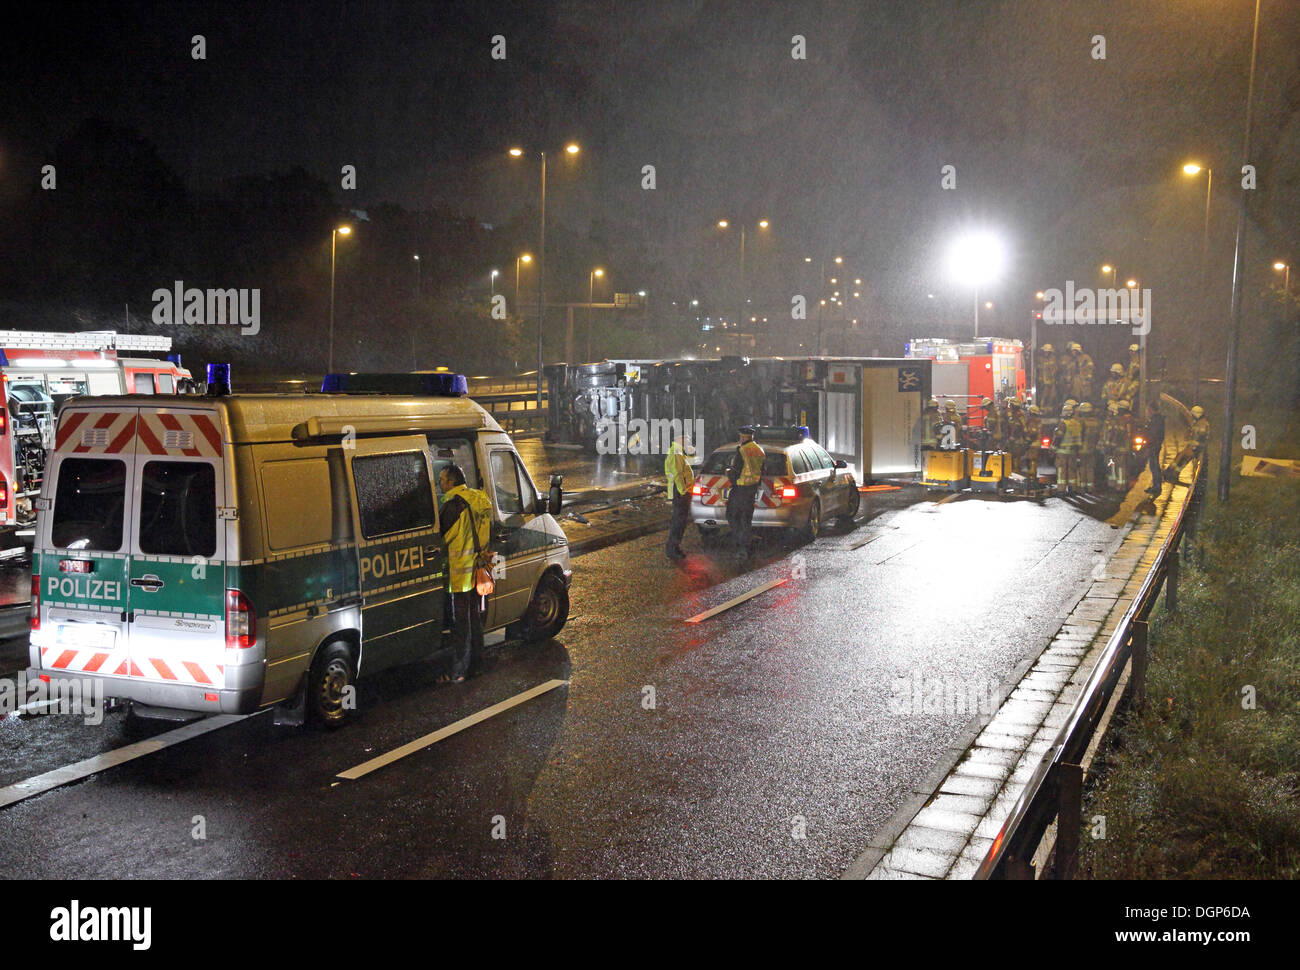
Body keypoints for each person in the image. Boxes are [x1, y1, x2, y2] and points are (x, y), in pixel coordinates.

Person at [438, 463, 493, 681]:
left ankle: (458, 671)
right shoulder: (480, 499)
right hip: (479, 568)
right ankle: (478, 664)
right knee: (475, 619)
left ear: (451, 482)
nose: (440, 483)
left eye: (442, 480)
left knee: (461, 625)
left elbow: (441, 538)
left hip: (460, 573)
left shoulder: (453, 506)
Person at [725, 426, 765, 557]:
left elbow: (736, 470)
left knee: (732, 515)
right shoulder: (759, 450)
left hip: (740, 488)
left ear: (743, 437)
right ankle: (747, 544)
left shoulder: (742, 450)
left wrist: (729, 474)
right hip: (752, 488)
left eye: (740, 436)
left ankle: (743, 546)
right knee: (746, 518)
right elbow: (762, 469)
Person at [664, 437, 695, 560]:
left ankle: (674, 547)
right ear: (679, 439)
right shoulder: (676, 453)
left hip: (680, 491)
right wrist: (683, 491)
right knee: (678, 522)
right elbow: (678, 474)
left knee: (680, 521)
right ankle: (672, 548)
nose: (687, 441)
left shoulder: (679, 451)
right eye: (686, 439)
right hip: (680, 492)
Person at [1166, 405, 1210, 483]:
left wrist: (1193, 446)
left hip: (1197, 448)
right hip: (1196, 447)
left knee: (1181, 456)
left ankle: (1170, 471)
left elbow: (1201, 436)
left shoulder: (1202, 424)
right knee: (1183, 458)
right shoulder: (1200, 423)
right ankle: (1174, 473)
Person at [1077, 401, 1102, 491]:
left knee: (1082, 467)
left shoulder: (1080, 422)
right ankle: (1091, 486)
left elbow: (1078, 435)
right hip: (1092, 448)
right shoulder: (1096, 422)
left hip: (1082, 448)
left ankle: (1082, 486)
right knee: (1090, 468)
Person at [1142, 402, 1165, 495]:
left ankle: (1157, 486)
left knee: (1154, 466)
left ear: (1151, 410)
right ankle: (1156, 485)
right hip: (1155, 445)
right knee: (1154, 465)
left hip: (1154, 446)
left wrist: (1148, 444)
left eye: (1148, 409)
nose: (1147, 411)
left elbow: (1153, 435)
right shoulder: (1157, 419)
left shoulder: (1155, 421)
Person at [1038, 344, 1058, 413]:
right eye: (1045, 351)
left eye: (1047, 352)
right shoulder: (1041, 359)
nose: (1045, 353)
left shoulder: (1053, 358)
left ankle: (1049, 409)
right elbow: (1040, 370)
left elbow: (1056, 369)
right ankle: (1042, 408)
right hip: (1044, 382)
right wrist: (1040, 380)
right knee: (1044, 395)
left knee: (1052, 395)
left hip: (1052, 381)